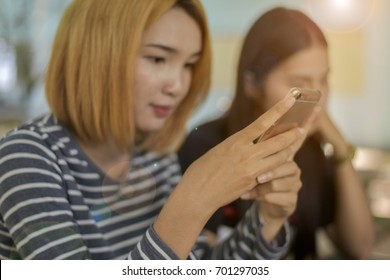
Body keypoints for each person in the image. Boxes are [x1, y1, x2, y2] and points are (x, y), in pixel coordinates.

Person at [0, 0, 307, 260]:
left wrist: (268, 219)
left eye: (189, 65)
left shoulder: (153, 157)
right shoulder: (26, 157)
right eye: (158, 58)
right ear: (97, 55)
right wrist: (194, 199)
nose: (178, 85)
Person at [178, 7, 374, 259]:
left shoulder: (310, 149)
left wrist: (340, 147)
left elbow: (360, 248)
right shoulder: (205, 146)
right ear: (252, 83)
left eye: (324, 79)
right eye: (301, 84)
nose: (318, 98)